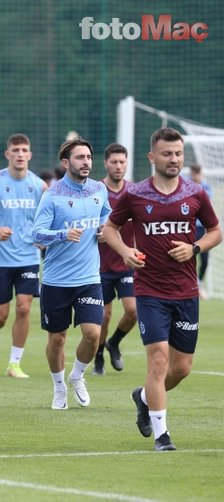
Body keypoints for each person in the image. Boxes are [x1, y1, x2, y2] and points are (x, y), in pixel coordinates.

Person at [103, 127, 221, 452]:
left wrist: (195, 248)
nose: (174, 159)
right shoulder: (136, 194)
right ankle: (162, 436)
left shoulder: (195, 193)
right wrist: (126, 252)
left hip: (186, 292)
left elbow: (215, 231)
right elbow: (110, 228)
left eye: (179, 153)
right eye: (167, 154)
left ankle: (142, 398)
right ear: (152, 157)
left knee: (181, 368)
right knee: (157, 361)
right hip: (150, 291)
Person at [32, 137, 111, 410]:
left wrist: (103, 231)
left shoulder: (100, 189)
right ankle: (58, 386)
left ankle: (77, 375)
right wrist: (62, 234)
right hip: (56, 280)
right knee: (57, 339)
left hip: (89, 278)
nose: (86, 162)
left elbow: (107, 218)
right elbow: (36, 234)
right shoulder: (52, 195)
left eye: (88, 157)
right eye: (80, 157)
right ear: (66, 163)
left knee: (92, 333)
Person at [0, 134, 47, 379]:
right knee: (1, 316)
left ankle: (14, 364)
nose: (19, 154)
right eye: (15, 150)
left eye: (24, 150)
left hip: (28, 258)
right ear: (7, 154)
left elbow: (49, 216)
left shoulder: (39, 186)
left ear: (30, 154)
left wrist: (43, 236)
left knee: (24, 309)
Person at [93, 143, 136, 376]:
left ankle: (114, 343)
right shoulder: (96, 191)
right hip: (100, 266)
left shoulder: (134, 192)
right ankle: (99, 355)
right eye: (114, 162)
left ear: (127, 163)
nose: (118, 166)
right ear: (106, 163)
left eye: (122, 162)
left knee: (133, 310)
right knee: (103, 315)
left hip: (127, 263)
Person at [188, 163, 213, 299]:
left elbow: (208, 204)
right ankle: (190, 286)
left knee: (205, 259)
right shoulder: (185, 186)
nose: (195, 175)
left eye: (197, 172)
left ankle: (200, 283)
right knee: (188, 257)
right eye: (193, 172)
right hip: (189, 227)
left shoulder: (206, 188)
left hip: (202, 228)